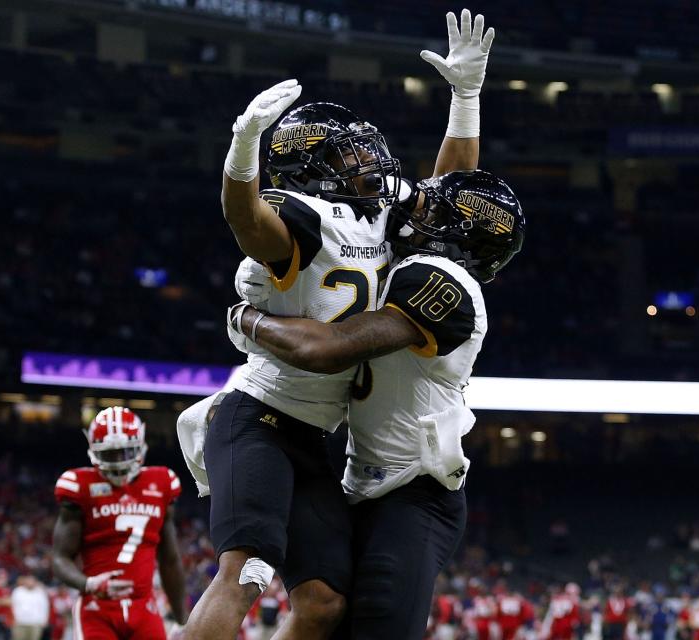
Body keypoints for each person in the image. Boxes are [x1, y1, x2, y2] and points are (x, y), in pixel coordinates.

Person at [177, 8, 496, 640]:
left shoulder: (378, 215)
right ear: (314, 164)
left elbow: (451, 191)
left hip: (316, 438)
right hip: (260, 418)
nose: (368, 162)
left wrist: (465, 100)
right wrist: (243, 154)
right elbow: (248, 221)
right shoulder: (303, 216)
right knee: (247, 571)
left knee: (325, 603)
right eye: (349, 154)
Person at [230, 169, 525, 638]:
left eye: (435, 212)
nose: (417, 213)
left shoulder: (444, 282)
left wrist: (248, 318)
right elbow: (452, 180)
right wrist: (464, 104)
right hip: (365, 486)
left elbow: (324, 349)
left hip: (415, 495)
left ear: (458, 232)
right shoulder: (414, 267)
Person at [52, 406, 187, 640]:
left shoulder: (161, 483)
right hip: (98, 609)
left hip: (144, 607)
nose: (118, 463)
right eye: (110, 454)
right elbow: (59, 557)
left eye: (124, 452)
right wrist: (89, 584)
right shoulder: (79, 486)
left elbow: (170, 559)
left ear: (140, 446)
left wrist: (182, 619)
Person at [10, 574, 49, 640]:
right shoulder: (18, 591)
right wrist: (13, 618)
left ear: (35, 582)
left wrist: (45, 620)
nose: (30, 582)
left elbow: (45, 607)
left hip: (35, 623)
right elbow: (12, 605)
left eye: (32, 581)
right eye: (28, 580)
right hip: (20, 622)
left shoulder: (40, 592)